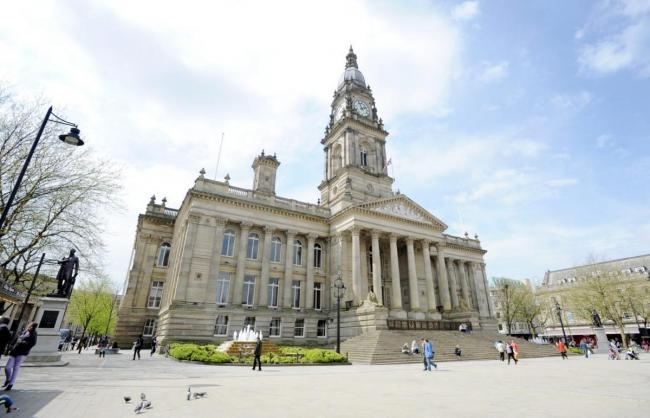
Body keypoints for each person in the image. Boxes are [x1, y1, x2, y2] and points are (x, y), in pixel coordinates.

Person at [3, 322, 38, 391]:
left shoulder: (33, 333)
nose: (29, 326)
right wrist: (10, 346)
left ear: (33, 327)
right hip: (14, 351)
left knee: (16, 368)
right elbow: (16, 339)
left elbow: (32, 343)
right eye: (29, 325)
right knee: (7, 367)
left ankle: (11, 384)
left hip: (22, 353)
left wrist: (22, 342)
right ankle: (8, 379)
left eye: (30, 326)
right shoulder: (24, 331)